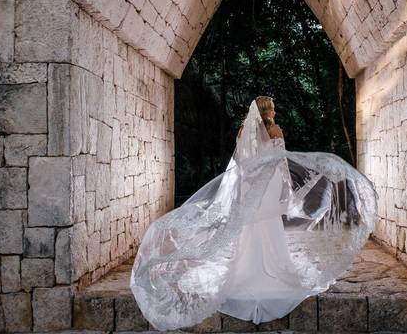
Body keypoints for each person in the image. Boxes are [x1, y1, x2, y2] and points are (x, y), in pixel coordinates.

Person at [130, 96, 378, 331]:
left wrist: (243, 188)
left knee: (249, 227)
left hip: (249, 186)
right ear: (267, 110)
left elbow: (240, 164)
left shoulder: (243, 132)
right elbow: (280, 162)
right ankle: (270, 266)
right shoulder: (275, 131)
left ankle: (246, 268)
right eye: (272, 108)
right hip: (268, 185)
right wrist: (287, 189)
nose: (275, 112)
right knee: (269, 226)